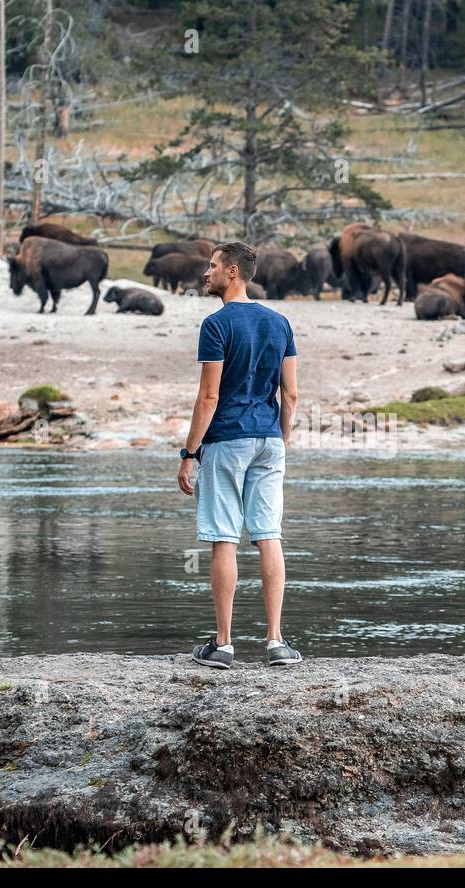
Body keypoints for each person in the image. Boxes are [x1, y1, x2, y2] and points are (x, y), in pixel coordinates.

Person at [177, 241, 301, 668]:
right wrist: (280, 440)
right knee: (269, 534)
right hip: (268, 440)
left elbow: (208, 397)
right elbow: (293, 394)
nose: (205, 274)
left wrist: (189, 452)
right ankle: (276, 642)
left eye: (211, 267)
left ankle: (224, 645)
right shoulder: (280, 322)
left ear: (232, 271)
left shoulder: (216, 325)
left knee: (223, 537)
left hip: (227, 440)